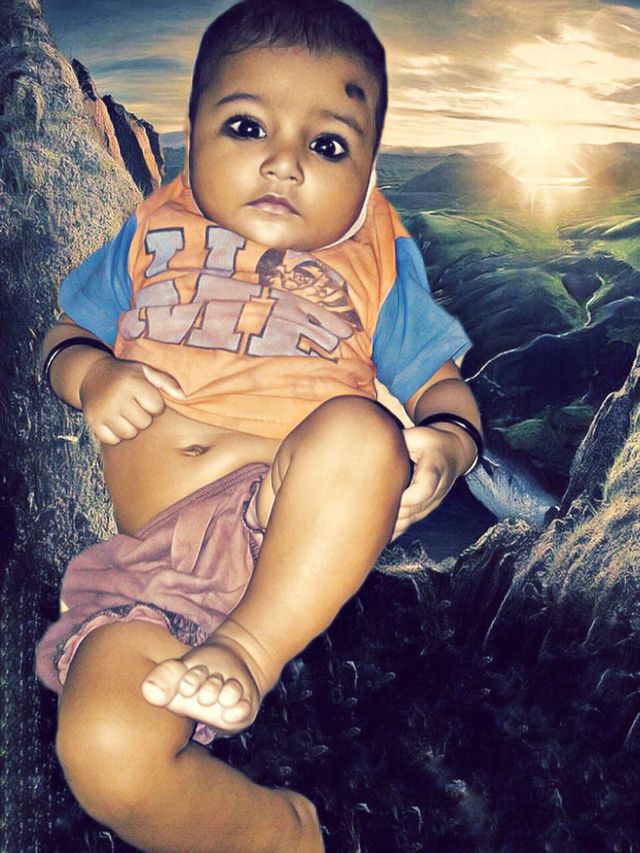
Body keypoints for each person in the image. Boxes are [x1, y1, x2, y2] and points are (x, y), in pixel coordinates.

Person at [36, 1, 483, 850]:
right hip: (153, 570)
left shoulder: (378, 256)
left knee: (361, 433)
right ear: (191, 132)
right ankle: (276, 833)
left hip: (288, 518)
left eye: (329, 145)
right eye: (246, 126)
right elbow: (62, 336)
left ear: (371, 170)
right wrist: (91, 374)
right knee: (103, 747)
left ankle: (249, 647)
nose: (285, 162)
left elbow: (443, 390)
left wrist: (447, 446)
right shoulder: (146, 232)